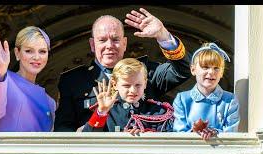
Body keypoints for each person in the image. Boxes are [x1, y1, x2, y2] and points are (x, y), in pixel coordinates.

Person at [54, 8, 191, 132]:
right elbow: (63, 130)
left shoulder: (144, 69)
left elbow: (183, 70)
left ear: (125, 43)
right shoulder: (73, 80)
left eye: (115, 39)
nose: (109, 46)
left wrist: (163, 35)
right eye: (102, 40)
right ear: (92, 44)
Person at [0, 26, 56, 132]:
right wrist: (1, 70)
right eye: (29, 51)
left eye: (42, 51)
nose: (37, 57)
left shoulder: (50, 102)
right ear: (17, 53)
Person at [82, 58, 174, 135]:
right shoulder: (109, 112)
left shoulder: (159, 112)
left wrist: (149, 135)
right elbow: (87, 140)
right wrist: (101, 112)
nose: (133, 90)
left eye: (138, 85)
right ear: (114, 84)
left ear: (145, 83)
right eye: (126, 85)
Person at [172, 42, 240, 140]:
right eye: (205, 67)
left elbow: (231, 133)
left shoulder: (230, 100)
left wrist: (214, 132)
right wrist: (194, 132)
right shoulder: (182, 99)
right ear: (193, 69)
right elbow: (178, 132)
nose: (211, 72)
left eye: (216, 68)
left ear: (221, 72)